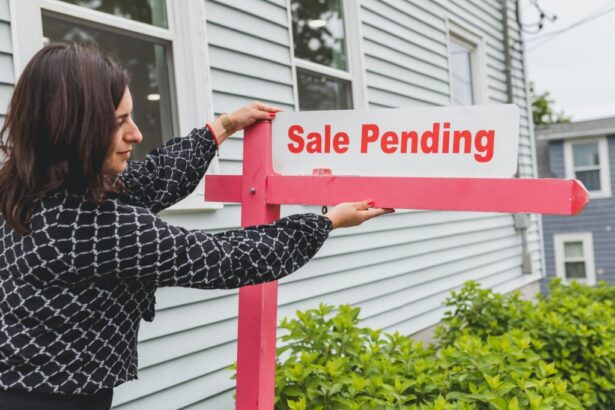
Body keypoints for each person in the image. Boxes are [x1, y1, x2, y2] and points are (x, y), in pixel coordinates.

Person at [0, 43, 393, 409]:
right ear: (72, 129)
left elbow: (149, 180)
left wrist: (222, 127)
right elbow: (228, 258)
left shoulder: (27, 184)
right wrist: (326, 222)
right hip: (55, 397)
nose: (135, 133)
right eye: (119, 122)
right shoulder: (97, 225)